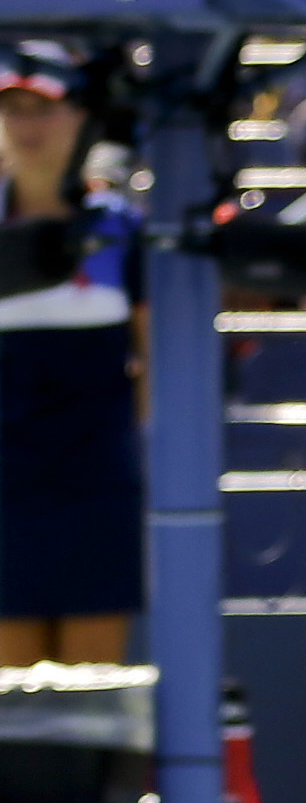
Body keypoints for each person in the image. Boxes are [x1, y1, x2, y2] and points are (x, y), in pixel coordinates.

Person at [0, 45, 138, 667]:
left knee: (94, 692)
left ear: (82, 118)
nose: (29, 126)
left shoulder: (121, 228)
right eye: (15, 109)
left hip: (96, 489)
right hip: (7, 492)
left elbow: (154, 359)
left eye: (45, 108)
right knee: (13, 705)